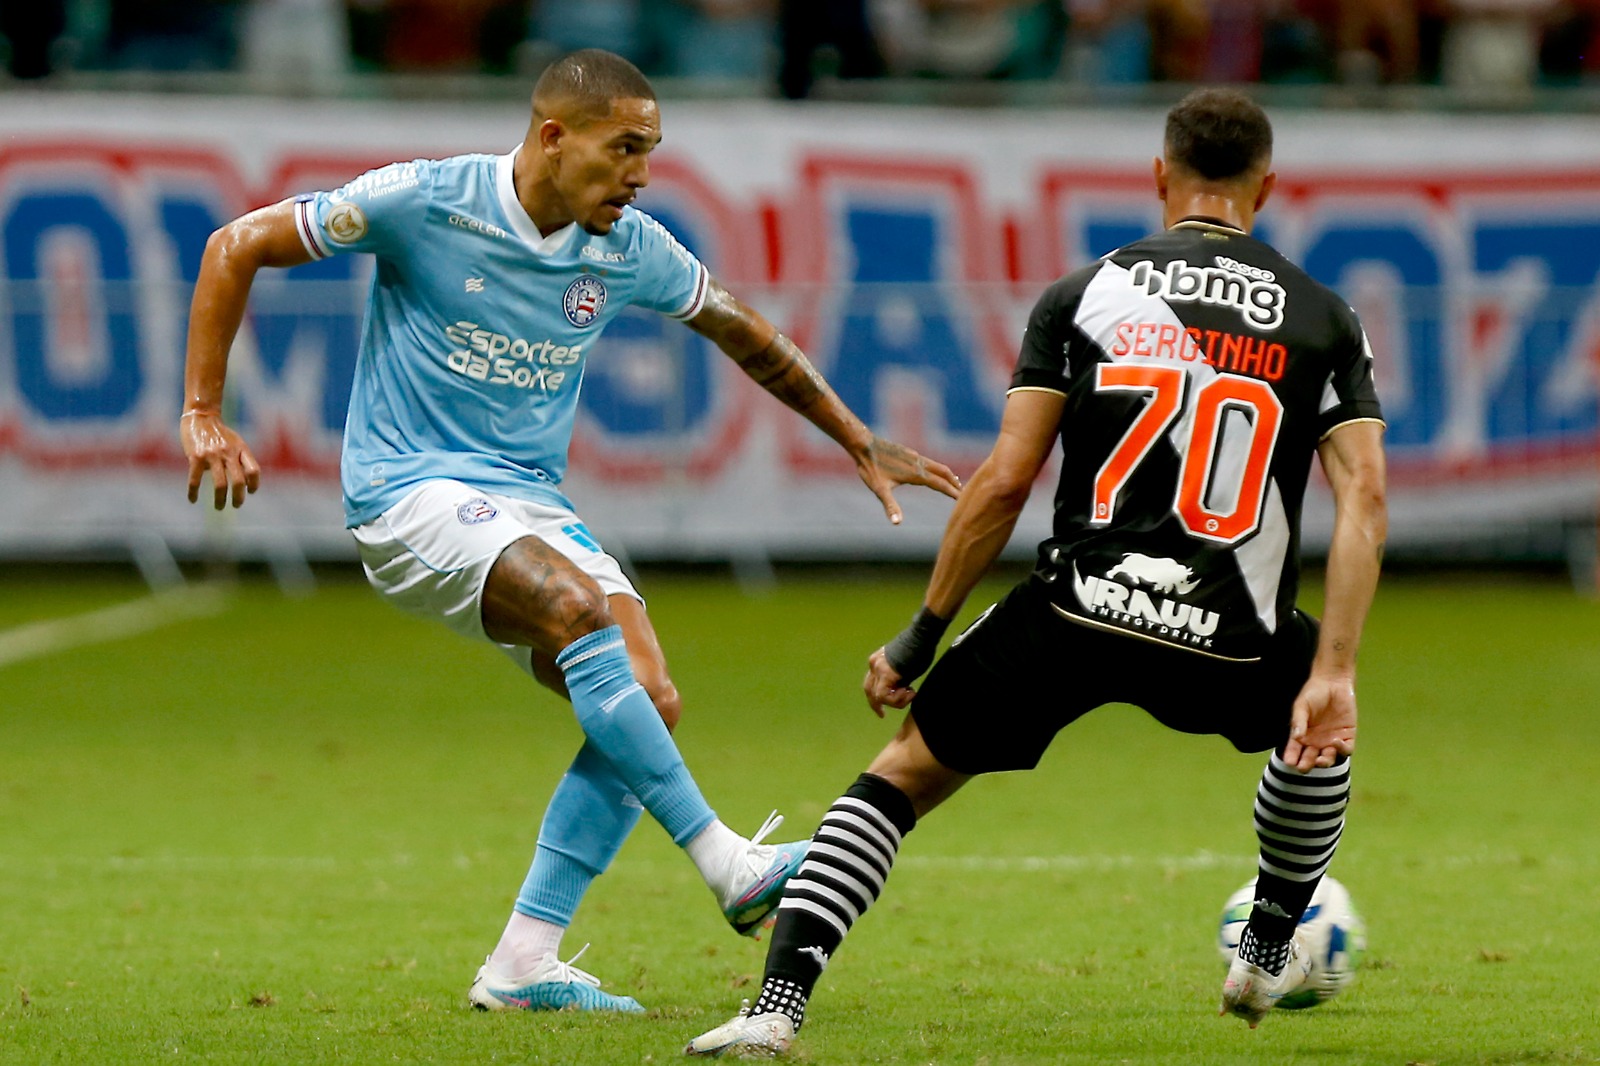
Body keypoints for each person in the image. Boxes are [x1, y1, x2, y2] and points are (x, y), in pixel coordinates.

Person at [178, 48, 961, 1013]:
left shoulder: (628, 245)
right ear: (555, 137)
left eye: (653, 151)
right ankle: (727, 862)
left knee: (646, 696)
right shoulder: (426, 200)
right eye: (624, 147)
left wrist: (856, 436)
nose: (640, 173)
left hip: (527, 502)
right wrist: (203, 411)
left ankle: (521, 966)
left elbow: (742, 329)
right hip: (407, 492)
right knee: (577, 607)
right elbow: (234, 245)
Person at [687, 86, 1387, 1056]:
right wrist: (1335, 670)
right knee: (1317, 735)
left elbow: (1003, 482)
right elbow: (1364, 501)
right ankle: (1269, 943)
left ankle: (775, 1008)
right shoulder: (1322, 316)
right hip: (1233, 623)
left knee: (900, 777)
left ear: (1158, 175)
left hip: (1078, 608)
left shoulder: (1082, 295)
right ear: (1265, 186)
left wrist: (919, 636)